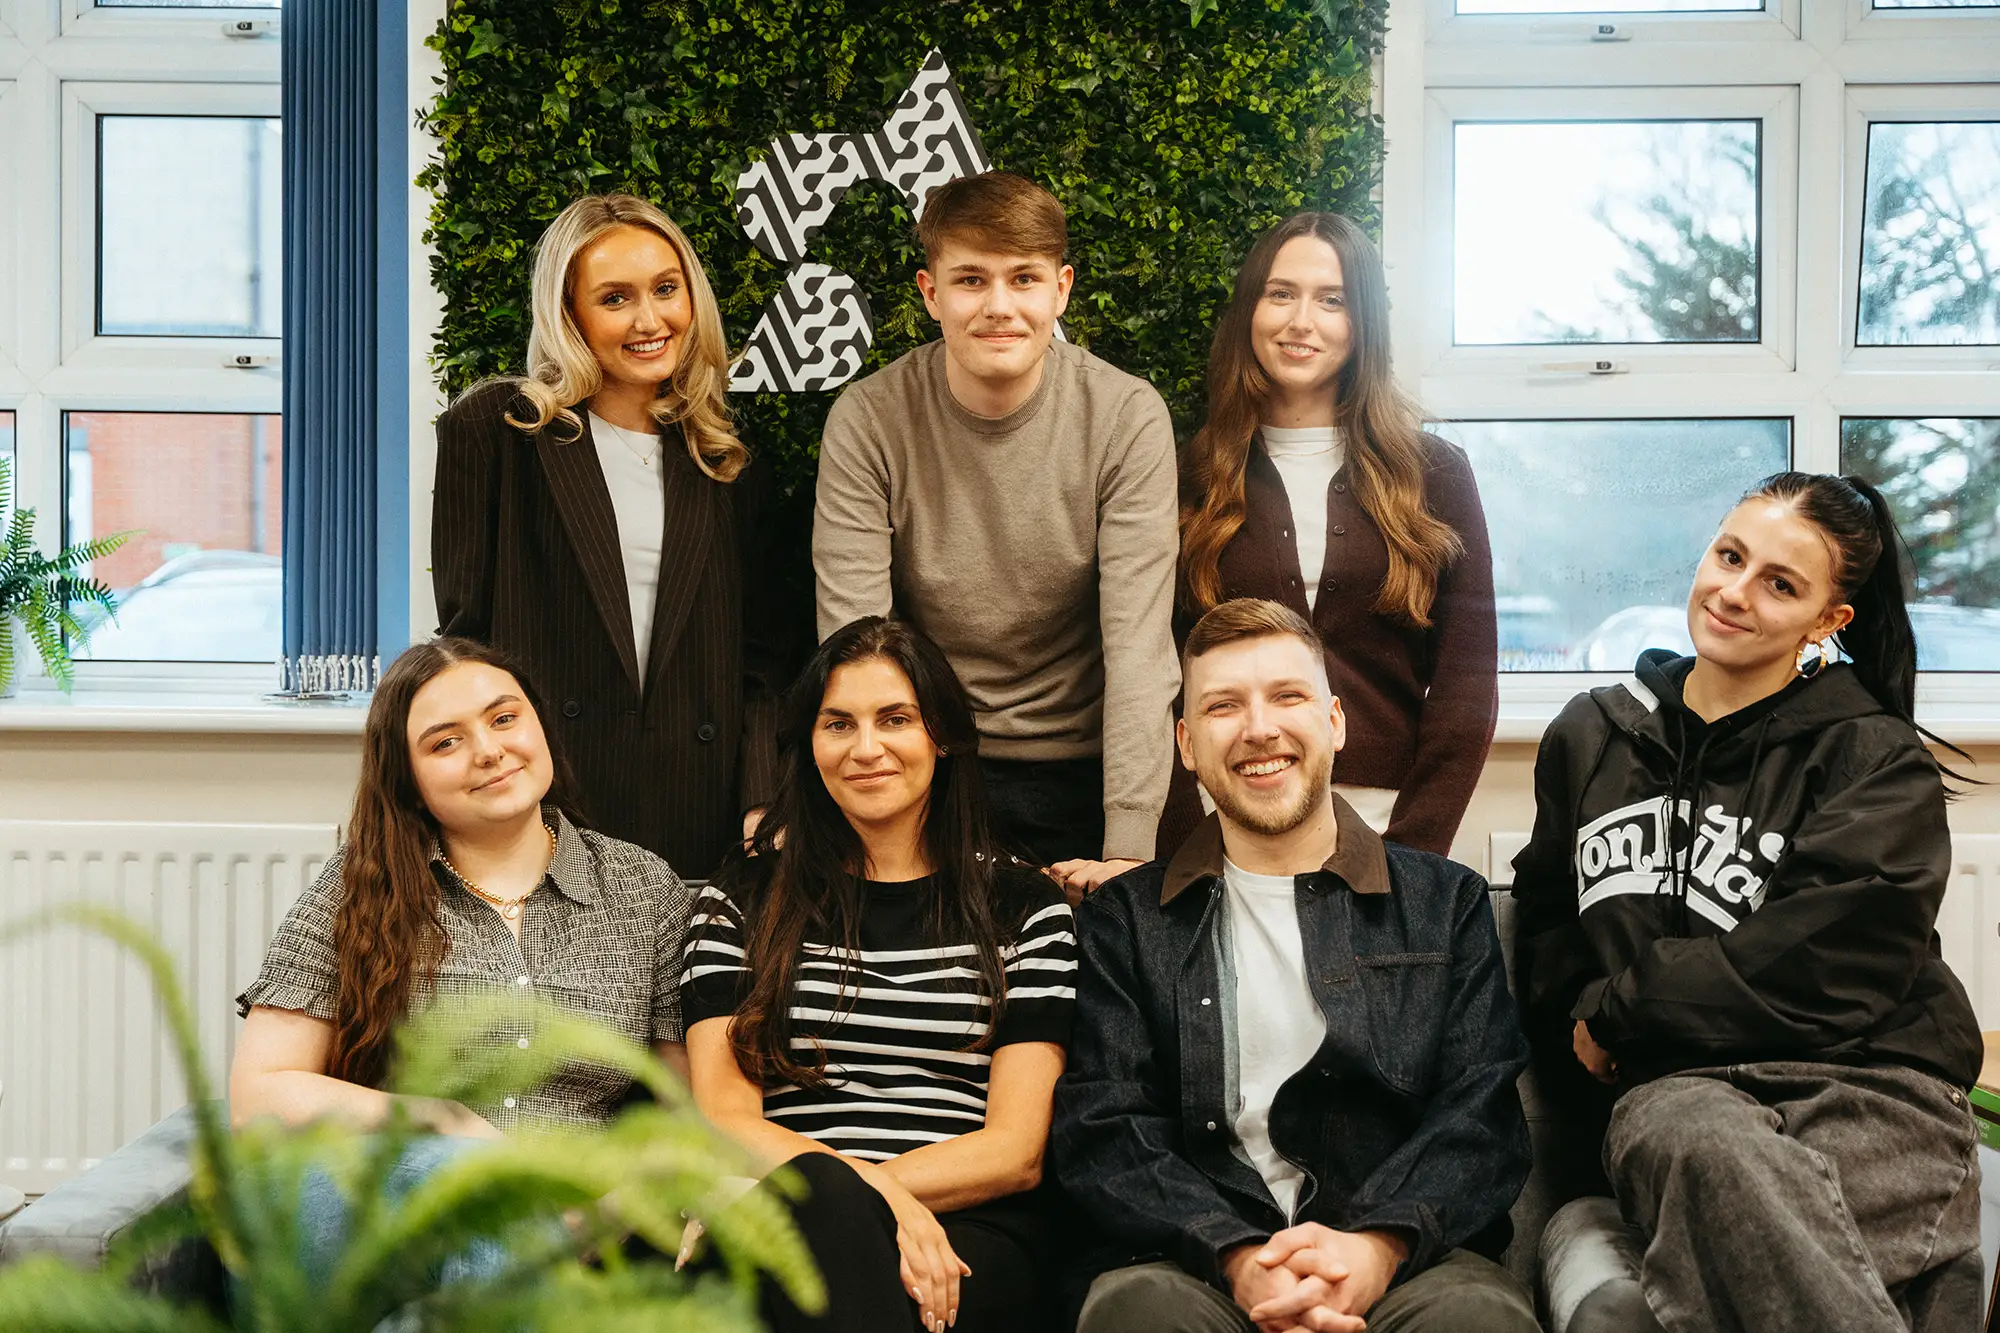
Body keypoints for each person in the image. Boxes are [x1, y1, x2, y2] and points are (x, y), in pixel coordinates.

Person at [1511, 472, 1984, 1333]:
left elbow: (1824, 962)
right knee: (1694, 1134)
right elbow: (1548, 915)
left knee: (1725, 1190)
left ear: (1827, 620)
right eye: (1730, 556)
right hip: (1680, 1104)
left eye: (1780, 583)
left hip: (1872, 1095)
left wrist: (1620, 1010)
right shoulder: (1591, 735)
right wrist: (1581, 1006)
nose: (1734, 592)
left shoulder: (1874, 757)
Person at [1054, 597, 1536, 1333]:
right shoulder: (1124, 920)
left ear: (1334, 722)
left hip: (1409, 1262)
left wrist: (1374, 1250)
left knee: (1479, 1319)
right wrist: (1238, 1256)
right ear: (1186, 743)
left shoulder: (1446, 903)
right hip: (1192, 1265)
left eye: (1287, 696)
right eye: (1223, 706)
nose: (1259, 728)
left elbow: (1483, 1118)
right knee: (1134, 1314)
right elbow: (1105, 1128)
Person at [680, 616, 1077, 1333]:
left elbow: (1016, 1150)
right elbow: (727, 1118)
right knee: (819, 1233)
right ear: (809, 744)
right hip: (784, 1213)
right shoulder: (740, 896)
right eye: (838, 724)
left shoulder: (1024, 905)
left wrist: (869, 1196)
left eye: (895, 719)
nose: (866, 748)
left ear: (942, 736)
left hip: (968, 1230)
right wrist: (862, 1196)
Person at [813, 170, 1181, 900]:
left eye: (1024, 278)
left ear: (1061, 290)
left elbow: (1140, 648)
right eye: (971, 280)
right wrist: (875, 825)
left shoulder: (1125, 416)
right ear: (930, 293)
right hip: (931, 765)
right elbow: (857, 649)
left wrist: (1129, 850)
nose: (999, 306)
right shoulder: (870, 419)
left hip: (1084, 770)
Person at [433, 192, 797, 880]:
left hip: (701, 808)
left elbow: (762, 660)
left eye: (666, 289)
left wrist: (760, 796)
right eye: (615, 298)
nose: (650, 320)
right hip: (549, 804)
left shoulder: (726, 456)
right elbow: (466, 648)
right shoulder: (495, 432)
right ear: (569, 314)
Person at [231, 635, 693, 1136]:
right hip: (420, 1177)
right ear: (407, 780)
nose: (490, 751)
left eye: (504, 719)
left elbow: (686, 1108)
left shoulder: (641, 886)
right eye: (446, 743)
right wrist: (443, 1121)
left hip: (586, 1181)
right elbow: (260, 1096)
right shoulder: (357, 885)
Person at [1166, 213, 1496, 858]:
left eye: (1332, 300)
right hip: (1223, 821)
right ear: (1249, 310)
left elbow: (1468, 683)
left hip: (1384, 822)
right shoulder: (1188, 475)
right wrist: (1182, 843)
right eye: (1280, 293)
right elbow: (1156, 675)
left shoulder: (1435, 474)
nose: (1301, 321)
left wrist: (1414, 855)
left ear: (1363, 322)